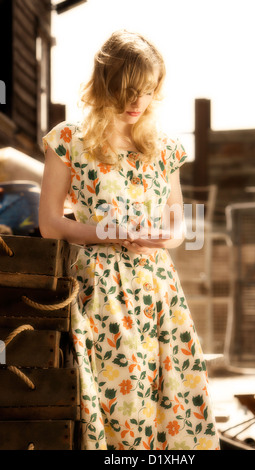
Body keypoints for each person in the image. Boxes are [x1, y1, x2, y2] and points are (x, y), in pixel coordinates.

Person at [39, 30, 219, 451]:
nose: (138, 102)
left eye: (148, 91)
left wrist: (162, 238)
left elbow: (179, 226)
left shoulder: (164, 147)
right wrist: (110, 233)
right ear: (106, 83)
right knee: (120, 405)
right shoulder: (69, 140)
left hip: (159, 292)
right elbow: (50, 224)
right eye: (128, 90)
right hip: (101, 290)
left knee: (172, 403)